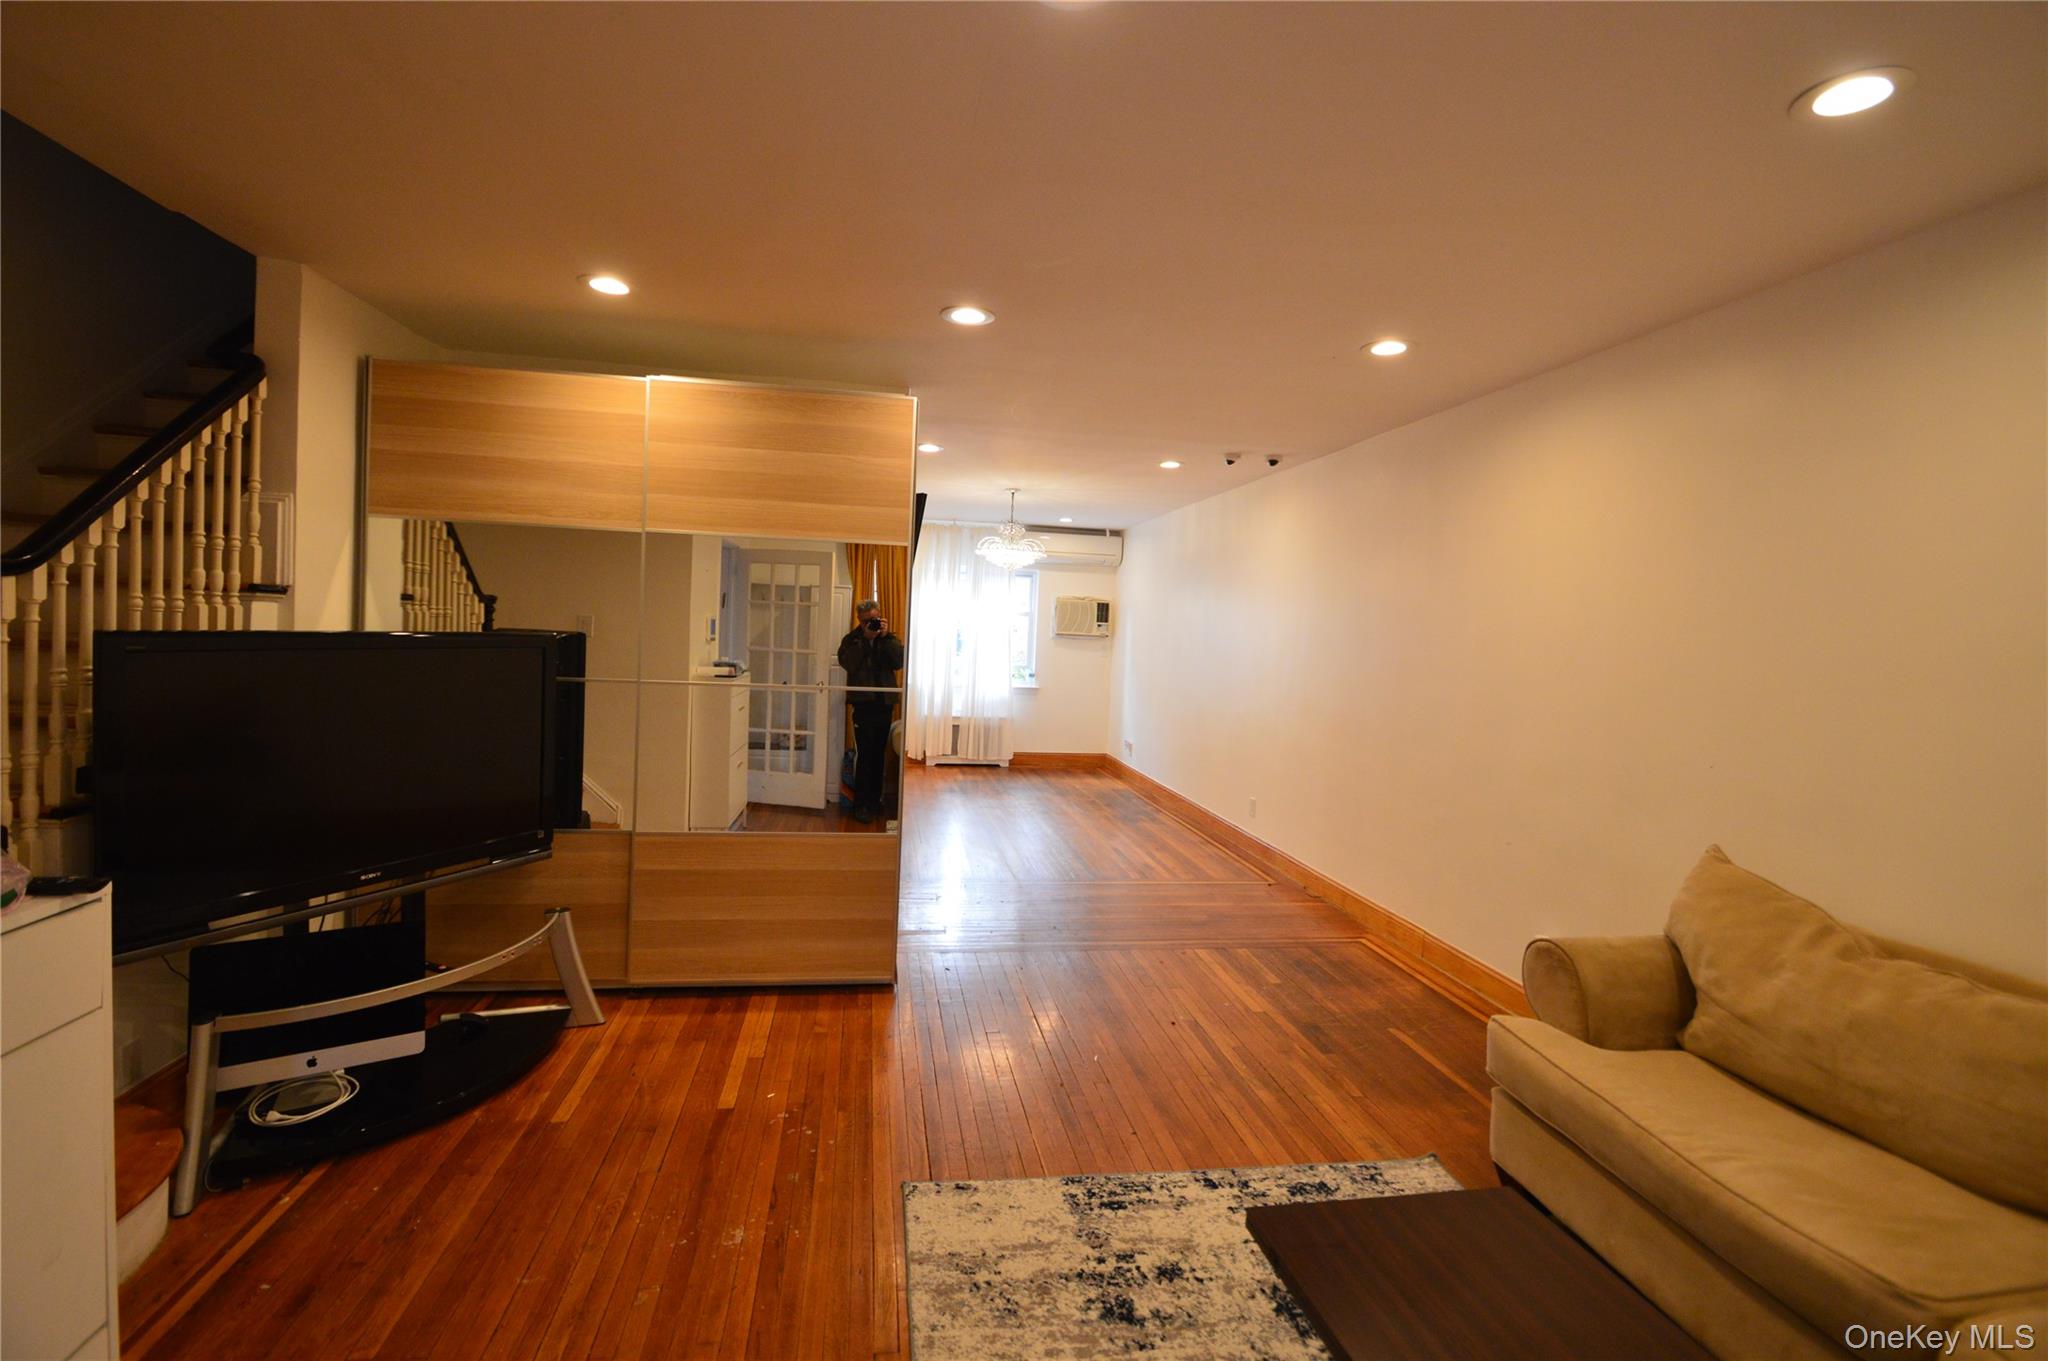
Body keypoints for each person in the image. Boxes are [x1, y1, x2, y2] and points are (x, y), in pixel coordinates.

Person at [837, 598, 904, 823]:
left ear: (880, 616)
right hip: (863, 705)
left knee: (878, 755)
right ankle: (861, 804)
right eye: (866, 621)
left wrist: (885, 638)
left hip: (884, 704)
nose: (870, 625)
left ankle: (875, 801)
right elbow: (849, 664)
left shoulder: (888, 639)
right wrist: (865, 641)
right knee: (865, 755)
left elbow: (898, 661)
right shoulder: (852, 640)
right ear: (859, 620)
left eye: (873, 620)